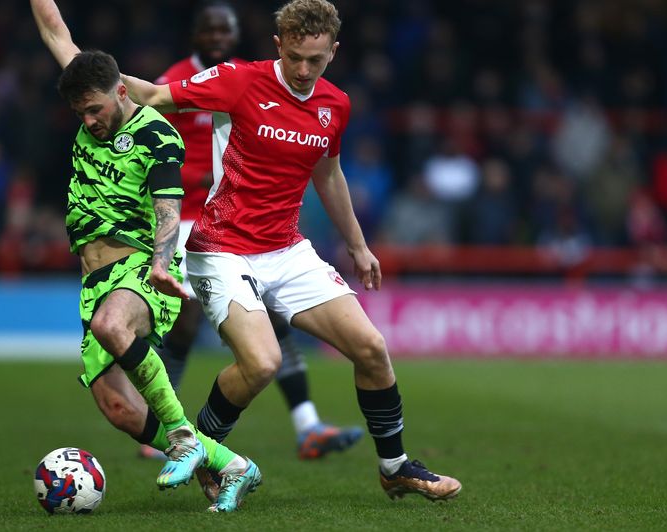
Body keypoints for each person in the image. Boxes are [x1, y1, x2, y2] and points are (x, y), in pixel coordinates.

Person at [121, 0, 462, 501]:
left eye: (317, 60)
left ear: (333, 52)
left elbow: (328, 173)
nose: (304, 70)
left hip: (286, 248)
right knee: (261, 363)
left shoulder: (335, 105)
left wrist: (358, 245)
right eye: (296, 57)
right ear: (279, 45)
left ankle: (395, 468)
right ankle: (206, 452)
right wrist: (90, 69)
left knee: (371, 349)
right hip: (222, 248)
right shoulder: (239, 80)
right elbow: (151, 94)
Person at [28, 0, 261, 512]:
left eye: (96, 110)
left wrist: (159, 262)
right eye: (80, 114)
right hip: (94, 279)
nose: (89, 121)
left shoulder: (157, 133)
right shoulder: (90, 95)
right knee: (117, 407)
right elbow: (53, 28)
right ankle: (230, 465)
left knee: (115, 327)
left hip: (143, 264)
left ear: (121, 91)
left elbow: (168, 207)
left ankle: (184, 439)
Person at [139, 0, 363, 462]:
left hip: (253, 232)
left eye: (227, 30)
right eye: (210, 30)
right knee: (184, 324)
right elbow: (151, 151)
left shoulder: (249, 79)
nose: (219, 37)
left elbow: (327, 170)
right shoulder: (191, 78)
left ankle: (307, 424)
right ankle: (165, 429)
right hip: (187, 219)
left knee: (273, 324)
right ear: (196, 35)